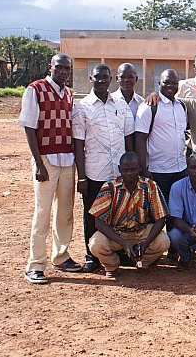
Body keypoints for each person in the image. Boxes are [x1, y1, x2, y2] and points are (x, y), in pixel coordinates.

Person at [18, 53, 82, 283]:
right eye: (60, 67)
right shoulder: (35, 89)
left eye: (68, 68)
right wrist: (37, 162)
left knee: (65, 212)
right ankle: (35, 264)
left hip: (67, 159)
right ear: (50, 67)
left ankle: (61, 255)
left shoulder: (69, 94)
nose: (64, 71)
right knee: (43, 213)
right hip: (46, 159)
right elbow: (28, 127)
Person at [73, 64, 135, 273]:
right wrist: (81, 177)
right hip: (94, 171)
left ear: (111, 80)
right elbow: (78, 145)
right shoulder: (82, 107)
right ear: (91, 78)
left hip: (119, 173)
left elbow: (129, 138)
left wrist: (132, 169)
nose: (101, 81)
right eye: (97, 77)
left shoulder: (120, 104)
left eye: (105, 77)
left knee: (118, 215)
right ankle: (91, 255)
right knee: (92, 214)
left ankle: (117, 253)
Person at [89, 152, 170, 278]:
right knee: (95, 244)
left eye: (133, 169)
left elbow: (161, 218)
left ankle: (142, 262)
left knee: (163, 241)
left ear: (140, 169)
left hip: (141, 232)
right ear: (119, 170)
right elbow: (98, 222)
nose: (129, 173)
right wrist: (123, 243)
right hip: (117, 232)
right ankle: (111, 265)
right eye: (125, 170)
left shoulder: (150, 186)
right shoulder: (110, 186)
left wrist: (146, 243)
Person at [134, 69, 187, 254]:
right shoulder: (149, 106)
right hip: (157, 170)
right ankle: (152, 251)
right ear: (159, 84)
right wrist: (143, 169)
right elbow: (140, 138)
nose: (170, 86)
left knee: (176, 212)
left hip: (179, 169)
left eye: (174, 83)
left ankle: (174, 249)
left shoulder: (181, 106)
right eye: (166, 83)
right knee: (154, 214)